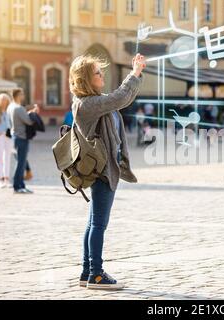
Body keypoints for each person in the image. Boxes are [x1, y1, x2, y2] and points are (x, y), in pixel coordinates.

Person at [70, 53, 145, 290]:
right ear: (85, 79)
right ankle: (96, 274)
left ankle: (86, 271)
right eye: (97, 73)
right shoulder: (87, 104)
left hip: (104, 166)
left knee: (93, 222)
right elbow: (120, 96)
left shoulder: (95, 101)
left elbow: (122, 100)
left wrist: (136, 77)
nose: (102, 75)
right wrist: (134, 73)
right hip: (102, 169)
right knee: (99, 224)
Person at [7, 88, 40, 194]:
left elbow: (22, 117)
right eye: (22, 94)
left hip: (14, 137)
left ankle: (21, 185)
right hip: (21, 138)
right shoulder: (19, 108)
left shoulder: (11, 107)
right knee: (20, 164)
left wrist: (29, 112)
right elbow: (29, 121)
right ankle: (17, 186)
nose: (23, 96)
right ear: (17, 95)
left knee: (20, 162)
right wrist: (34, 113)